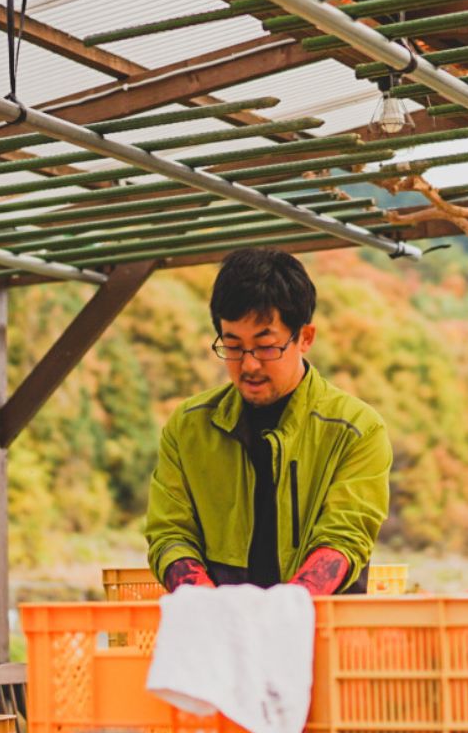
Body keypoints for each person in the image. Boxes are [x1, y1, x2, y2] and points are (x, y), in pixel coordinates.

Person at [145, 248, 391, 596]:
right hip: (219, 635)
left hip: (323, 635)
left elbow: (345, 536)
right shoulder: (188, 428)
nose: (248, 366)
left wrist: (285, 609)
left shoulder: (356, 430)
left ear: (305, 337)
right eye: (233, 346)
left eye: (266, 347)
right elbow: (169, 534)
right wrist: (208, 604)